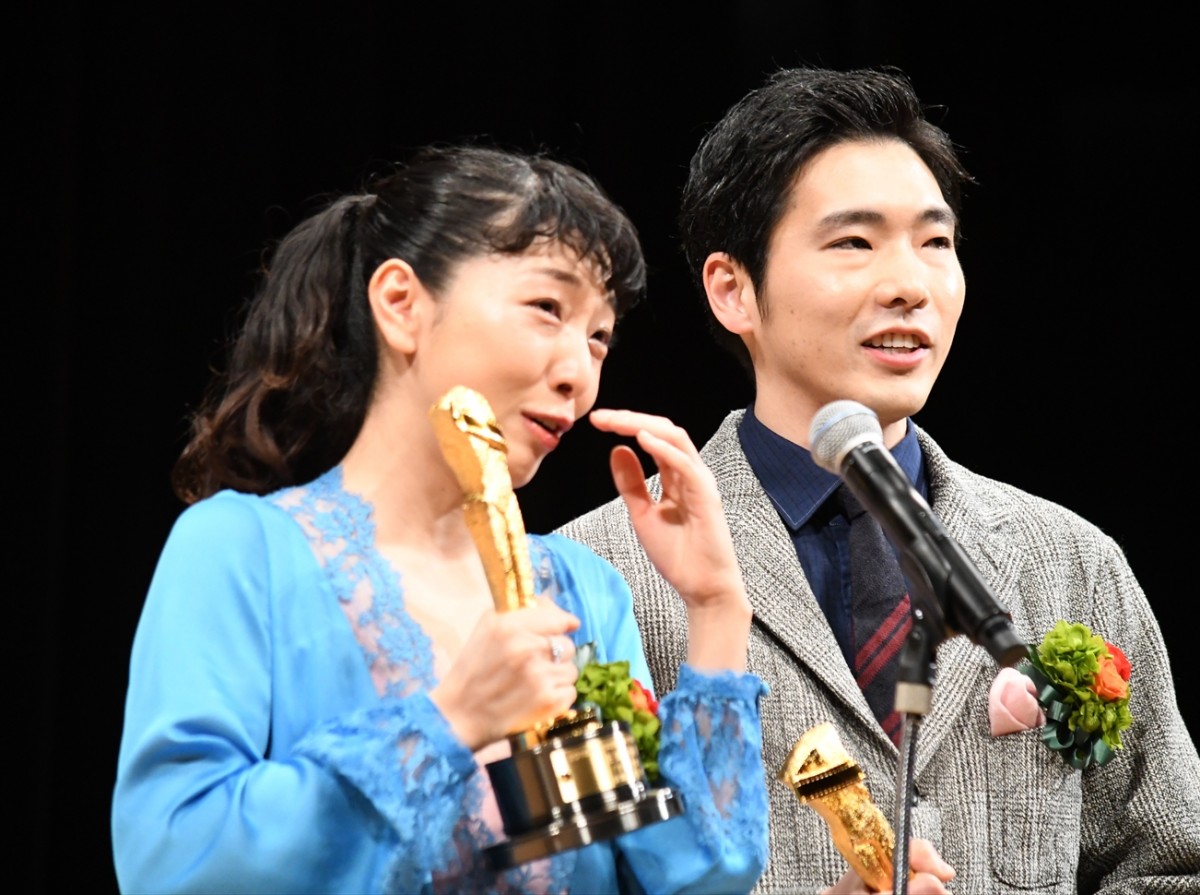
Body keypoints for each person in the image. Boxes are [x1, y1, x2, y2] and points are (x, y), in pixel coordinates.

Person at [557, 66, 1200, 894]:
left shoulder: (1070, 560)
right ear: (732, 290)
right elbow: (563, 880)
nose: (909, 285)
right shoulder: (592, 574)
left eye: (936, 243)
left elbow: (1174, 865)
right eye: (854, 243)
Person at [110, 144, 772, 894]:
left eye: (598, 338)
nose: (579, 376)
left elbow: (693, 877)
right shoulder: (243, 550)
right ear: (402, 304)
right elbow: (174, 857)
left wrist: (716, 609)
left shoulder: (581, 593)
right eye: (547, 309)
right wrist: (451, 720)